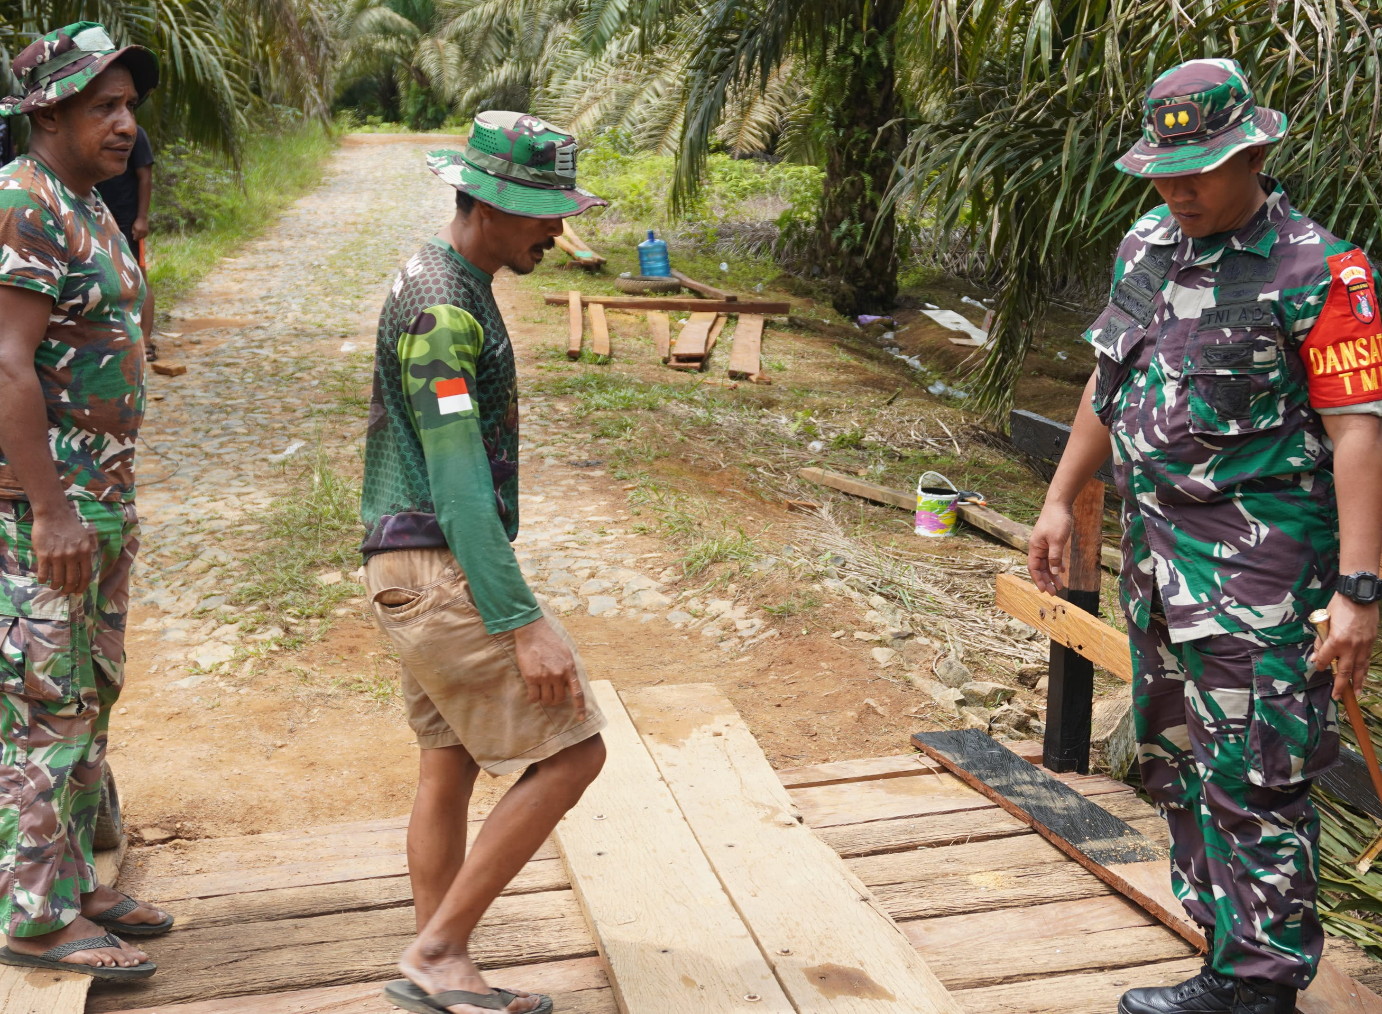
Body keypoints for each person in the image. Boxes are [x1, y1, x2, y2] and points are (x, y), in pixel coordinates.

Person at [1029, 59, 1382, 1014]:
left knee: (1258, 776)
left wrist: (1358, 592)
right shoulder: (1147, 244)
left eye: (1200, 171)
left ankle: (1257, 985)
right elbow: (1109, 379)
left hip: (1261, 575)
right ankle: (1222, 946)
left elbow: (1358, 432)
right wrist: (1060, 498)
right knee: (1177, 755)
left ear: (1255, 155)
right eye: (1163, 173)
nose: (1178, 191)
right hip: (1156, 562)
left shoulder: (1321, 270)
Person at [360, 111, 610, 1014]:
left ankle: (441, 972)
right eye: (545, 212)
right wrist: (520, 620)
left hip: (406, 569)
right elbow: (460, 485)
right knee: (575, 753)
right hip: (440, 568)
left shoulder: (448, 278)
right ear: (489, 205)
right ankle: (437, 949)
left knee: (449, 767)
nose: (559, 229)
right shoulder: (443, 309)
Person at [0, 21, 173, 981]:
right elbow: (6, 365)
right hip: (49, 512)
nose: (124, 123)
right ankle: (35, 919)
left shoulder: (87, 203)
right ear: (49, 114)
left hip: (101, 499)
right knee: (48, 706)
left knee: (91, 691)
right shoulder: (24, 204)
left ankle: (76, 884)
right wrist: (51, 511)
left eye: (128, 105)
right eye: (103, 106)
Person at [95, 124, 152, 255]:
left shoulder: (135, 134)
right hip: (96, 212)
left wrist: (142, 218)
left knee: (128, 259)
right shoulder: (94, 132)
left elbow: (145, 178)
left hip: (126, 218)